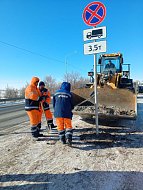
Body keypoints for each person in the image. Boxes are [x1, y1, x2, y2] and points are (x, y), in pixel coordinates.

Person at [53, 82, 74, 146]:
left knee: (60, 126)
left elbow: (54, 104)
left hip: (58, 113)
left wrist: (56, 110)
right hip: (67, 113)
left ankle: (62, 140)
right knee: (68, 126)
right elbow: (72, 104)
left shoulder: (56, 93)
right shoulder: (69, 94)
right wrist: (71, 108)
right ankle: (69, 138)